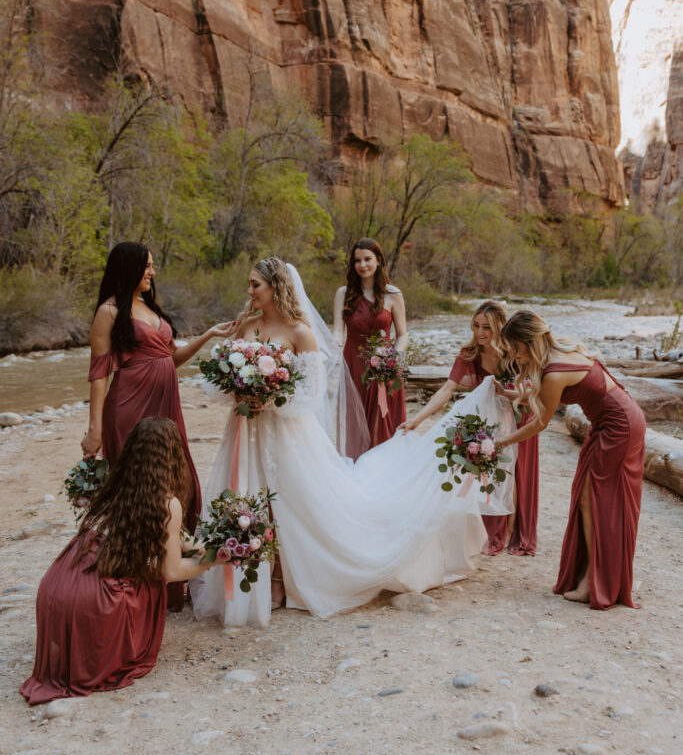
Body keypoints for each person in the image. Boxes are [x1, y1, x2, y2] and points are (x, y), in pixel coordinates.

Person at [190, 258, 496, 628]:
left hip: (285, 431)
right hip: (244, 428)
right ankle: (247, 571)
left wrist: (267, 397)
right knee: (246, 494)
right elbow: (218, 383)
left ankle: (280, 578)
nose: (250, 291)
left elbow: (310, 392)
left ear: (276, 287)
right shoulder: (245, 327)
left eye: (256, 284)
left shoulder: (300, 331)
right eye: (249, 284)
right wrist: (239, 389)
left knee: (291, 500)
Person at [81, 242, 230, 609]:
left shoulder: (149, 308)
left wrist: (209, 335)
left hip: (166, 407)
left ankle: (170, 582)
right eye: (147, 267)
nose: (152, 272)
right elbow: (100, 373)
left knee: (180, 486)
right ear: (128, 268)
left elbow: (170, 358)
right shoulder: (109, 312)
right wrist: (95, 428)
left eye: (152, 266)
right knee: (140, 492)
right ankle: (139, 586)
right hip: (129, 407)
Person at [21, 418, 211, 705]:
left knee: (142, 565)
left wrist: (211, 546)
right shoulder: (167, 502)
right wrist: (214, 561)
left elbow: (179, 538)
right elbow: (171, 572)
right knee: (148, 577)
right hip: (91, 602)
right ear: (174, 454)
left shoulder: (116, 485)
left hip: (56, 589)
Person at [497, 311, 646, 610]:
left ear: (529, 342)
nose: (514, 354)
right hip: (613, 421)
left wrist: (501, 442)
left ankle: (595, 581)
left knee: (594, 499)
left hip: (618, 426)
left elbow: (540, 422)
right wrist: (509, 394)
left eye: (515, 347)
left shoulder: (554, 372)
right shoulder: (560, 349)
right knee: (588, 497)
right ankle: (597, 576)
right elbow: (540, 396)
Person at [401, 300, 537, 555]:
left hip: (517, 415)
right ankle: (479, 527)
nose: (480, 333)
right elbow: (447, 388)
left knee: (510, 472)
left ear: (499, 328)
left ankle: (508, 532)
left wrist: (506, 392)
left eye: (486, 327)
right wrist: (417, 419)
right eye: (476, 326)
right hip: (483, 418)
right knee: (477, 469)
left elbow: (532, 388)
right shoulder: (469, 354)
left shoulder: (514, 354)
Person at [333, 238, 408, 454]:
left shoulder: (393, 294)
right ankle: (358, 472)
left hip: (386, 367)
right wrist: (334, 345)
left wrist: (392, 358)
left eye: (367, 259)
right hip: (354, 365)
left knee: (385, 422)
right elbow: (338, 330)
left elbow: (402, 335)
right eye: (357, 260)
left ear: (378, 261)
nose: (362, 265)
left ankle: (386, 474)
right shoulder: (343, 293)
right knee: (357, 422)